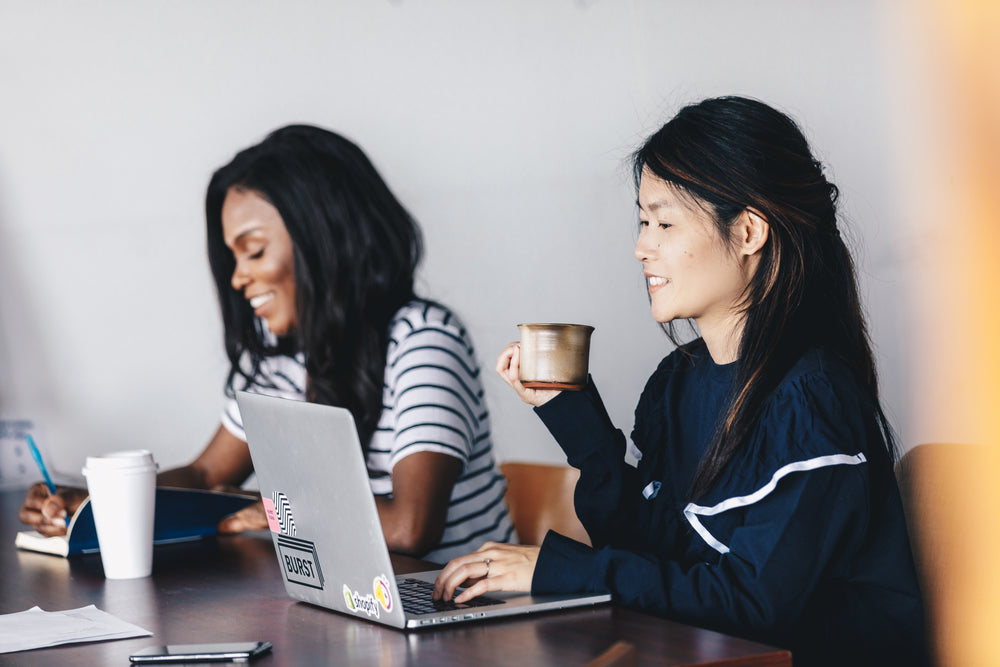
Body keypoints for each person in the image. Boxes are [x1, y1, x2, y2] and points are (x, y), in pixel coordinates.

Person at [433, 97, 929, 665]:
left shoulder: (811, 399)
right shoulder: (678, 380)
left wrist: (556, 569)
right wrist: (574, 419)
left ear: (747, 231)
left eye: (664, 222)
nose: (642, 247)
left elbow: (754, 605)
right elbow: (651, 550)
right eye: (644, 222)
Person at [20, 124, 513, 563]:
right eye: (233, 257)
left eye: (253, 250)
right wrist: (94, 503)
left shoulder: (424, 341)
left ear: (325, 238)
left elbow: (410, 528)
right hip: (362, 607)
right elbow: (206, 475)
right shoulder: (282, 358)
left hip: (461, 612)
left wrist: (275, 513)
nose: (238, 277)